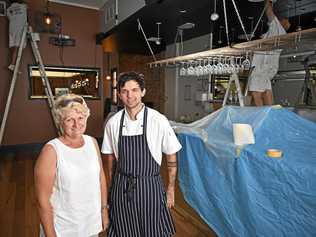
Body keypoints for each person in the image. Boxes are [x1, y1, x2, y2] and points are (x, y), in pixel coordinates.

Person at [102, 72, 182, 237]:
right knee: (123, 230)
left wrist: (171, 189)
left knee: (153, 230)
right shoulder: (113, 123)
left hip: (149, 186)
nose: (130, 95)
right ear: (119, 95)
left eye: (135, 90)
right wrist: (111, 190)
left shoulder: (158, 120)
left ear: (143, 92)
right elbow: (110, 161)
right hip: (121, 186)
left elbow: (171, 156)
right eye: (124, 91)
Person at [34, 94, 109, 237]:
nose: (76, 124)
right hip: (64, 229)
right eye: (69, 120)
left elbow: (100, 178)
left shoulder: (92, 142)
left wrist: (104, 210)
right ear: (60, 122)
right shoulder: (51, 151)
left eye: (80, 118)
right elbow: (42, 201)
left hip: (90, 223)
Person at [248, 0, 290, 106]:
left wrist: (268, 2)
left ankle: (264, 116)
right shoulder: (279, 33)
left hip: (262, 67)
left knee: (257, 93)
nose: (288, 23)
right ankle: (270, 116)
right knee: (266, 91)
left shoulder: (278, 29)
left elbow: (269, 11)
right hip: (268, 68)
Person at [6, 0, 27, 71]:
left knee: (14, 47)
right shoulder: (23, 6)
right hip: (20, 29)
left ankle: (13, 64)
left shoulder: (8, 9)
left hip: (12, 29)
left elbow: (9, 17)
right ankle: (13, 64)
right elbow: (27, 7)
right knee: (18, 48)